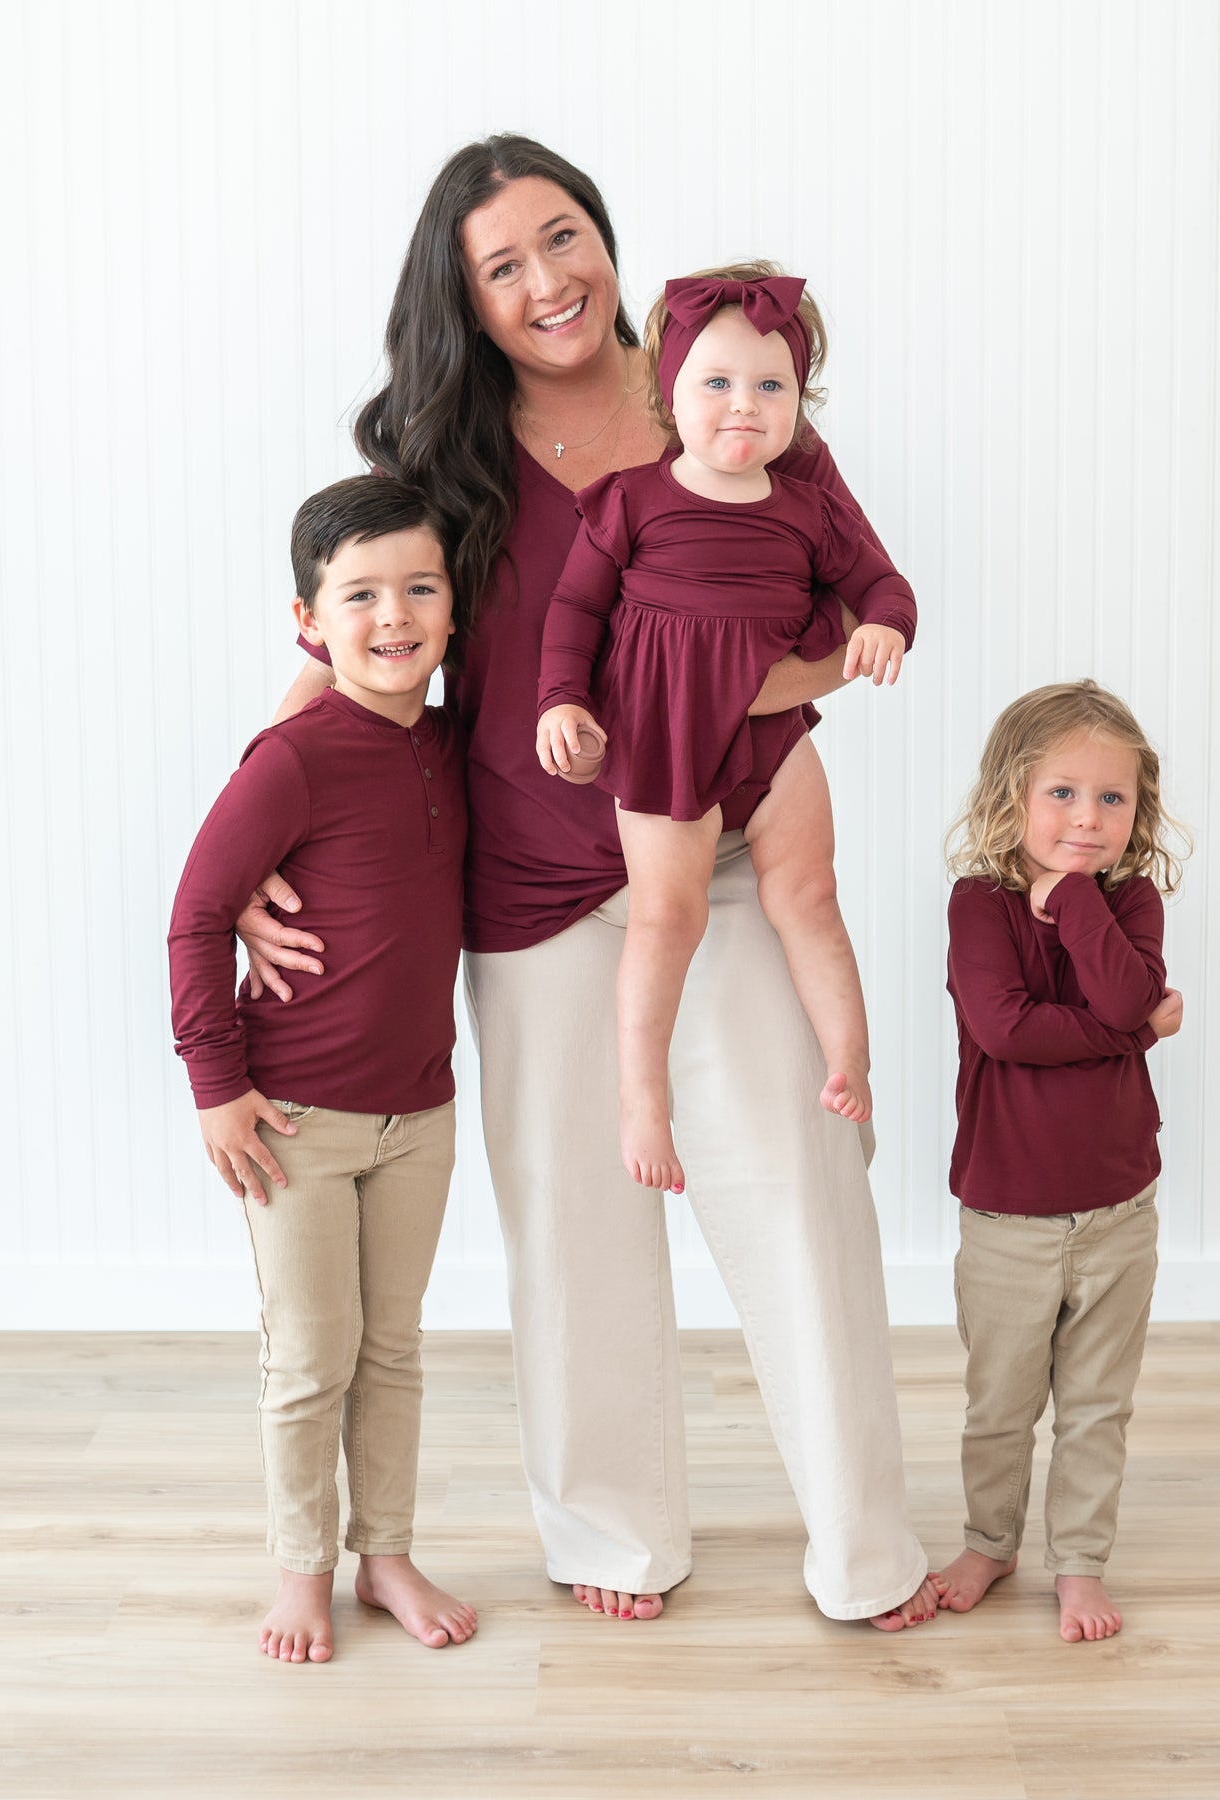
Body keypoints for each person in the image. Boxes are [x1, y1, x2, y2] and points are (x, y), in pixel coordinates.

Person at [239, 136, 938, 1631]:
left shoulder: (723, 392)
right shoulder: (437, 467)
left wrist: (744, 693)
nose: (549, 281)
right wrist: (249, 852)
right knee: (572, 1220)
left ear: (607, 238)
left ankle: (864, 1549)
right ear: (468, 301)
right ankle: (615, 1531)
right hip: (533, 889)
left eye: (566, 239)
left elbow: (831, 615)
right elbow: (348, 658)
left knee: (801, 1191)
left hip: (733, 858)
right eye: (505, 266)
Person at [168, 477, 477, 1664]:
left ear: (454, 609)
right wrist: (218, 1086)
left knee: (391, 1345)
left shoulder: (451, 744)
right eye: (360, 595)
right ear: (309, 620)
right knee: (310, 1356)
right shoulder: (294, 757)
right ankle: (301, 1571)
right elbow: (197, 915)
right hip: (291, 1116)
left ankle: (384, 1554)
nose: (393, 615)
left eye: (418, 588)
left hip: (423, 1113)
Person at [535, 267, 913, 1193]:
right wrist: (561, 701)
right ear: (669, 393)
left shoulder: (811, 511)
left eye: (770, 386)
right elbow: (574, 611)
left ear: (799, 403)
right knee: (669, 914)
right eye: (716, 383)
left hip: (774, 744)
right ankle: (643, 1097)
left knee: (811, 895)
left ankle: (850, 1062)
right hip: (662, 740)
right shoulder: (631, 499)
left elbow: (886, 586)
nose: (743, 405)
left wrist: (880, 626)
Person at [928, 679, 1189, 1643]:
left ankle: (1078, 1561)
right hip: (1007, 1215)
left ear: (1137, 810)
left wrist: (1076, 899)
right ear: (1013, 795)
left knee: (1094, 1406)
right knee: (1000, 1404)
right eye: (1063, 794)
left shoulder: (1131, 903)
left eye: (1112, 799)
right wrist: (1137, 1032)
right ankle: (990, 1540)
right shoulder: (977, 906)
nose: (1088, 817)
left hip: (1121, 1209)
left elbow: (1123, 996)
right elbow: (1006, 1030)